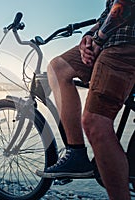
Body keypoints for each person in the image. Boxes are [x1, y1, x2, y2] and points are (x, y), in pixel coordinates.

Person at [36, 0, 135, 199]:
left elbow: (125, 4)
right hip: (110, 39)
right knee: (58, 68)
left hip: (126, 43)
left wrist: (98, 40)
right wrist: (90, 36)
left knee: (94, 123)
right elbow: (109, 12)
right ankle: (76, 152)